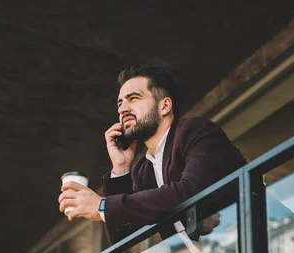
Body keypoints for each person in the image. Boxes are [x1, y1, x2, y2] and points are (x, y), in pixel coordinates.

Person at [58, 65, 246, 243]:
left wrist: (102, 206)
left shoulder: (195, 131)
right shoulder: (142, 169)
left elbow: (189, 191)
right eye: (120, 104)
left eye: (133, 99)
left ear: (164, 106)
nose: (123, 109)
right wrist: (121, 167)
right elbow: (122, 236)